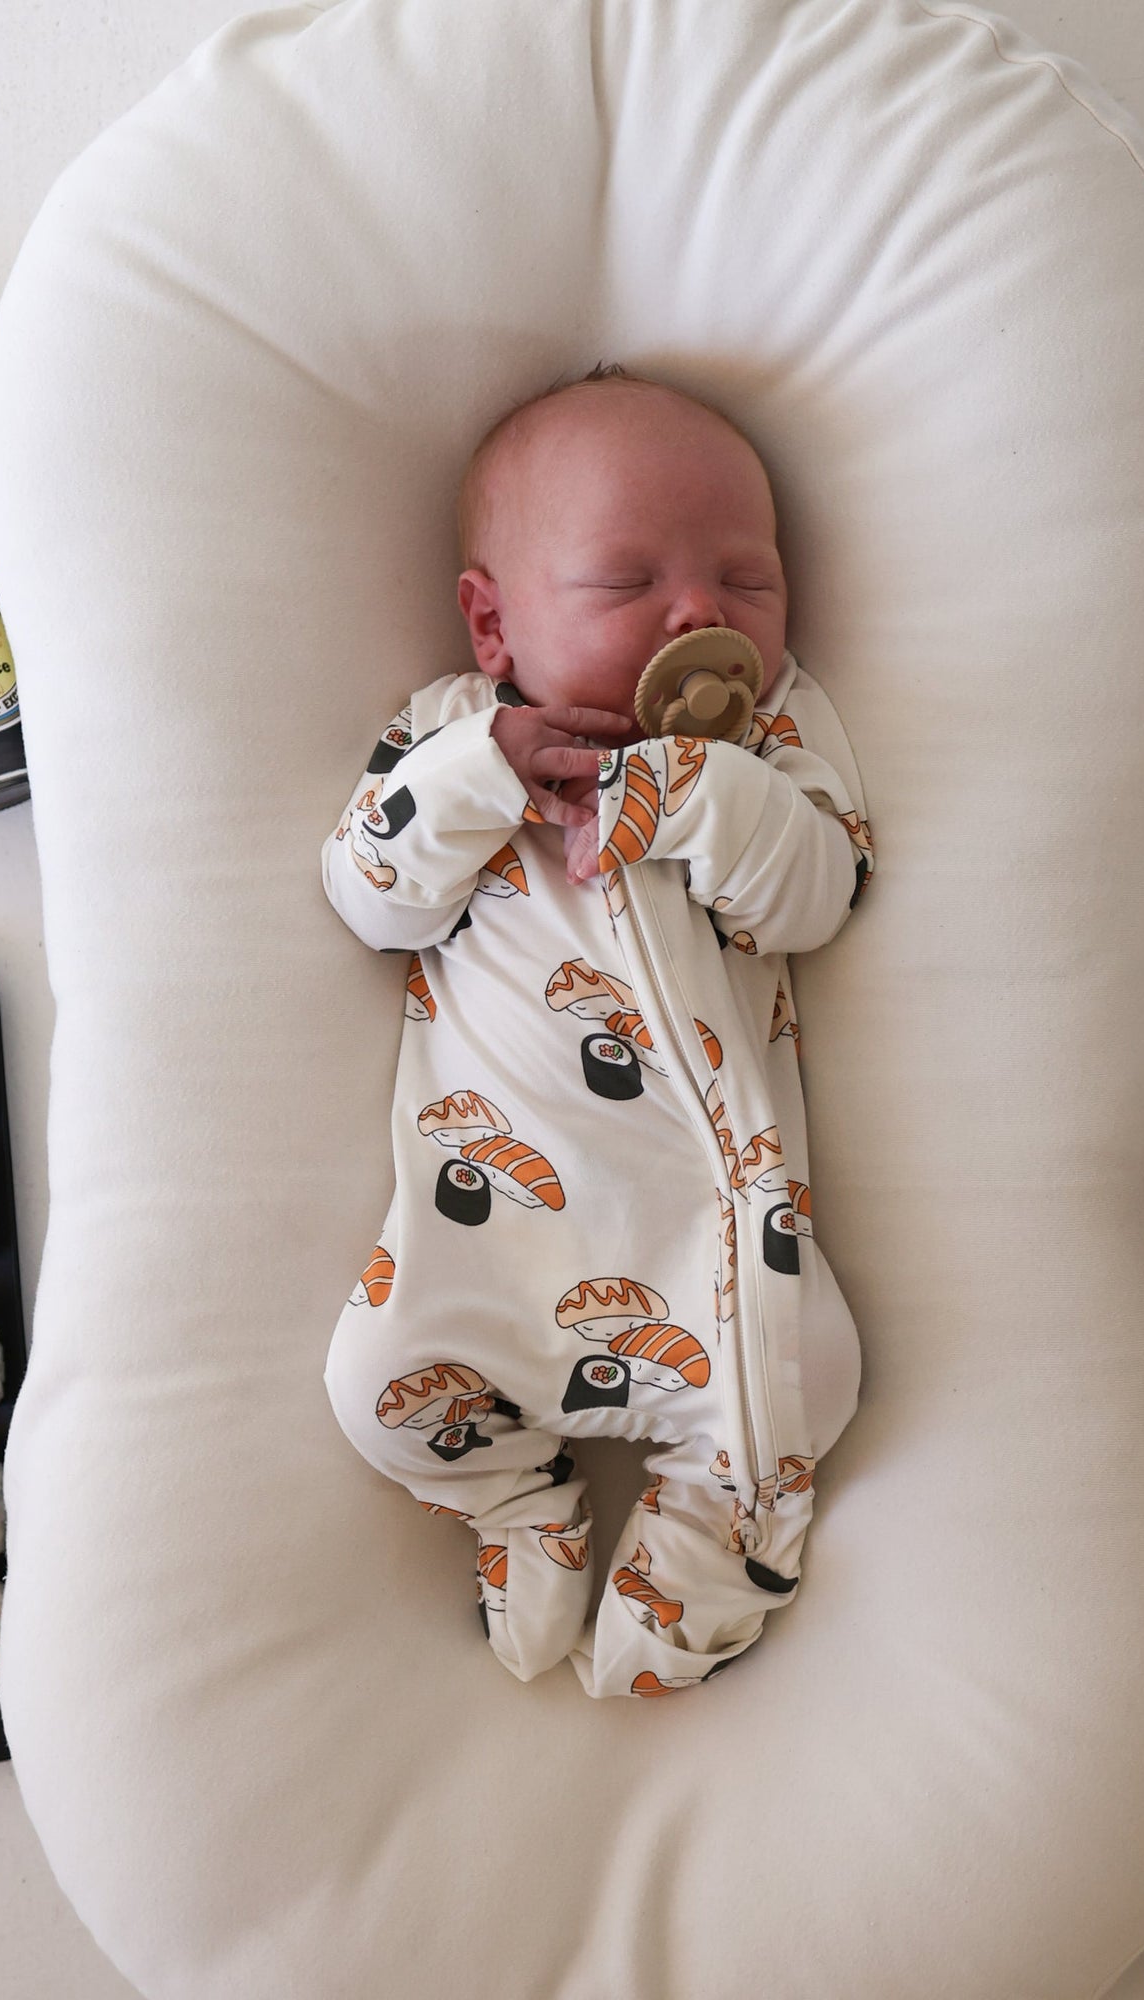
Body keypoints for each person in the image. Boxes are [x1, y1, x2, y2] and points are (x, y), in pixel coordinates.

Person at [321, 363, 873, 1698]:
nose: (701, 614)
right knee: (378, 1385)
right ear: (492, 623)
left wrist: (707, 797)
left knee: (813, 1382)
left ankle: (706, 1532)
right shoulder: (452, 734)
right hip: (483, 1244)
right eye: (629, 583)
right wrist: (478, 778)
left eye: (748, 581)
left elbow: (816, 897)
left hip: (718, 1246)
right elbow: (370, 897)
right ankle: (520, 1502)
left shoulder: (771, 738)